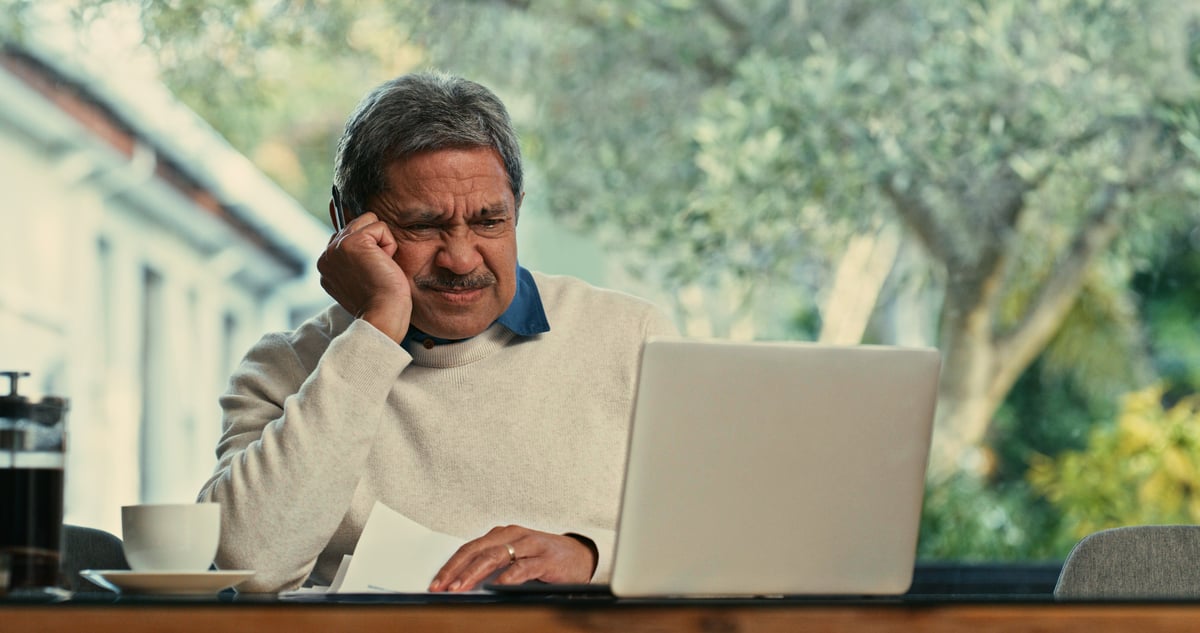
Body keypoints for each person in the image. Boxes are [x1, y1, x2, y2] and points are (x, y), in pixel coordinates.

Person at [197, 71, 677, 593]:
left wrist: (591, 556)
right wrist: (377, 329)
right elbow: (252, 566)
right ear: (346, 221)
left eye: (489, 221)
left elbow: (722, 541)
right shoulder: (283, 369)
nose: (461, 259)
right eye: (423, 226)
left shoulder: (634, 339)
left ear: (517, 208)